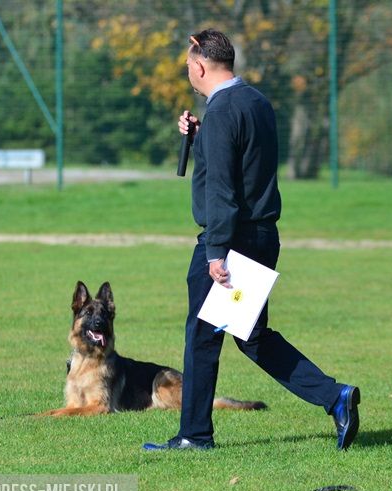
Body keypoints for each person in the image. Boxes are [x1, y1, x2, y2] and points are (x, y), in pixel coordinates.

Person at [143, 29, 359, 451]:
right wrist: (201, 137)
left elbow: (222, 189)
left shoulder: (223, 112)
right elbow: (243, 160)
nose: (187, 71)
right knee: (252, 336)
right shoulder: (256, 102)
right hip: (262, 235)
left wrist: (216, 251)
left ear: (200, 66)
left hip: (230, 240)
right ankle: (336, 397)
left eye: (187, 65)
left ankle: (194, 436)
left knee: (202, 337)